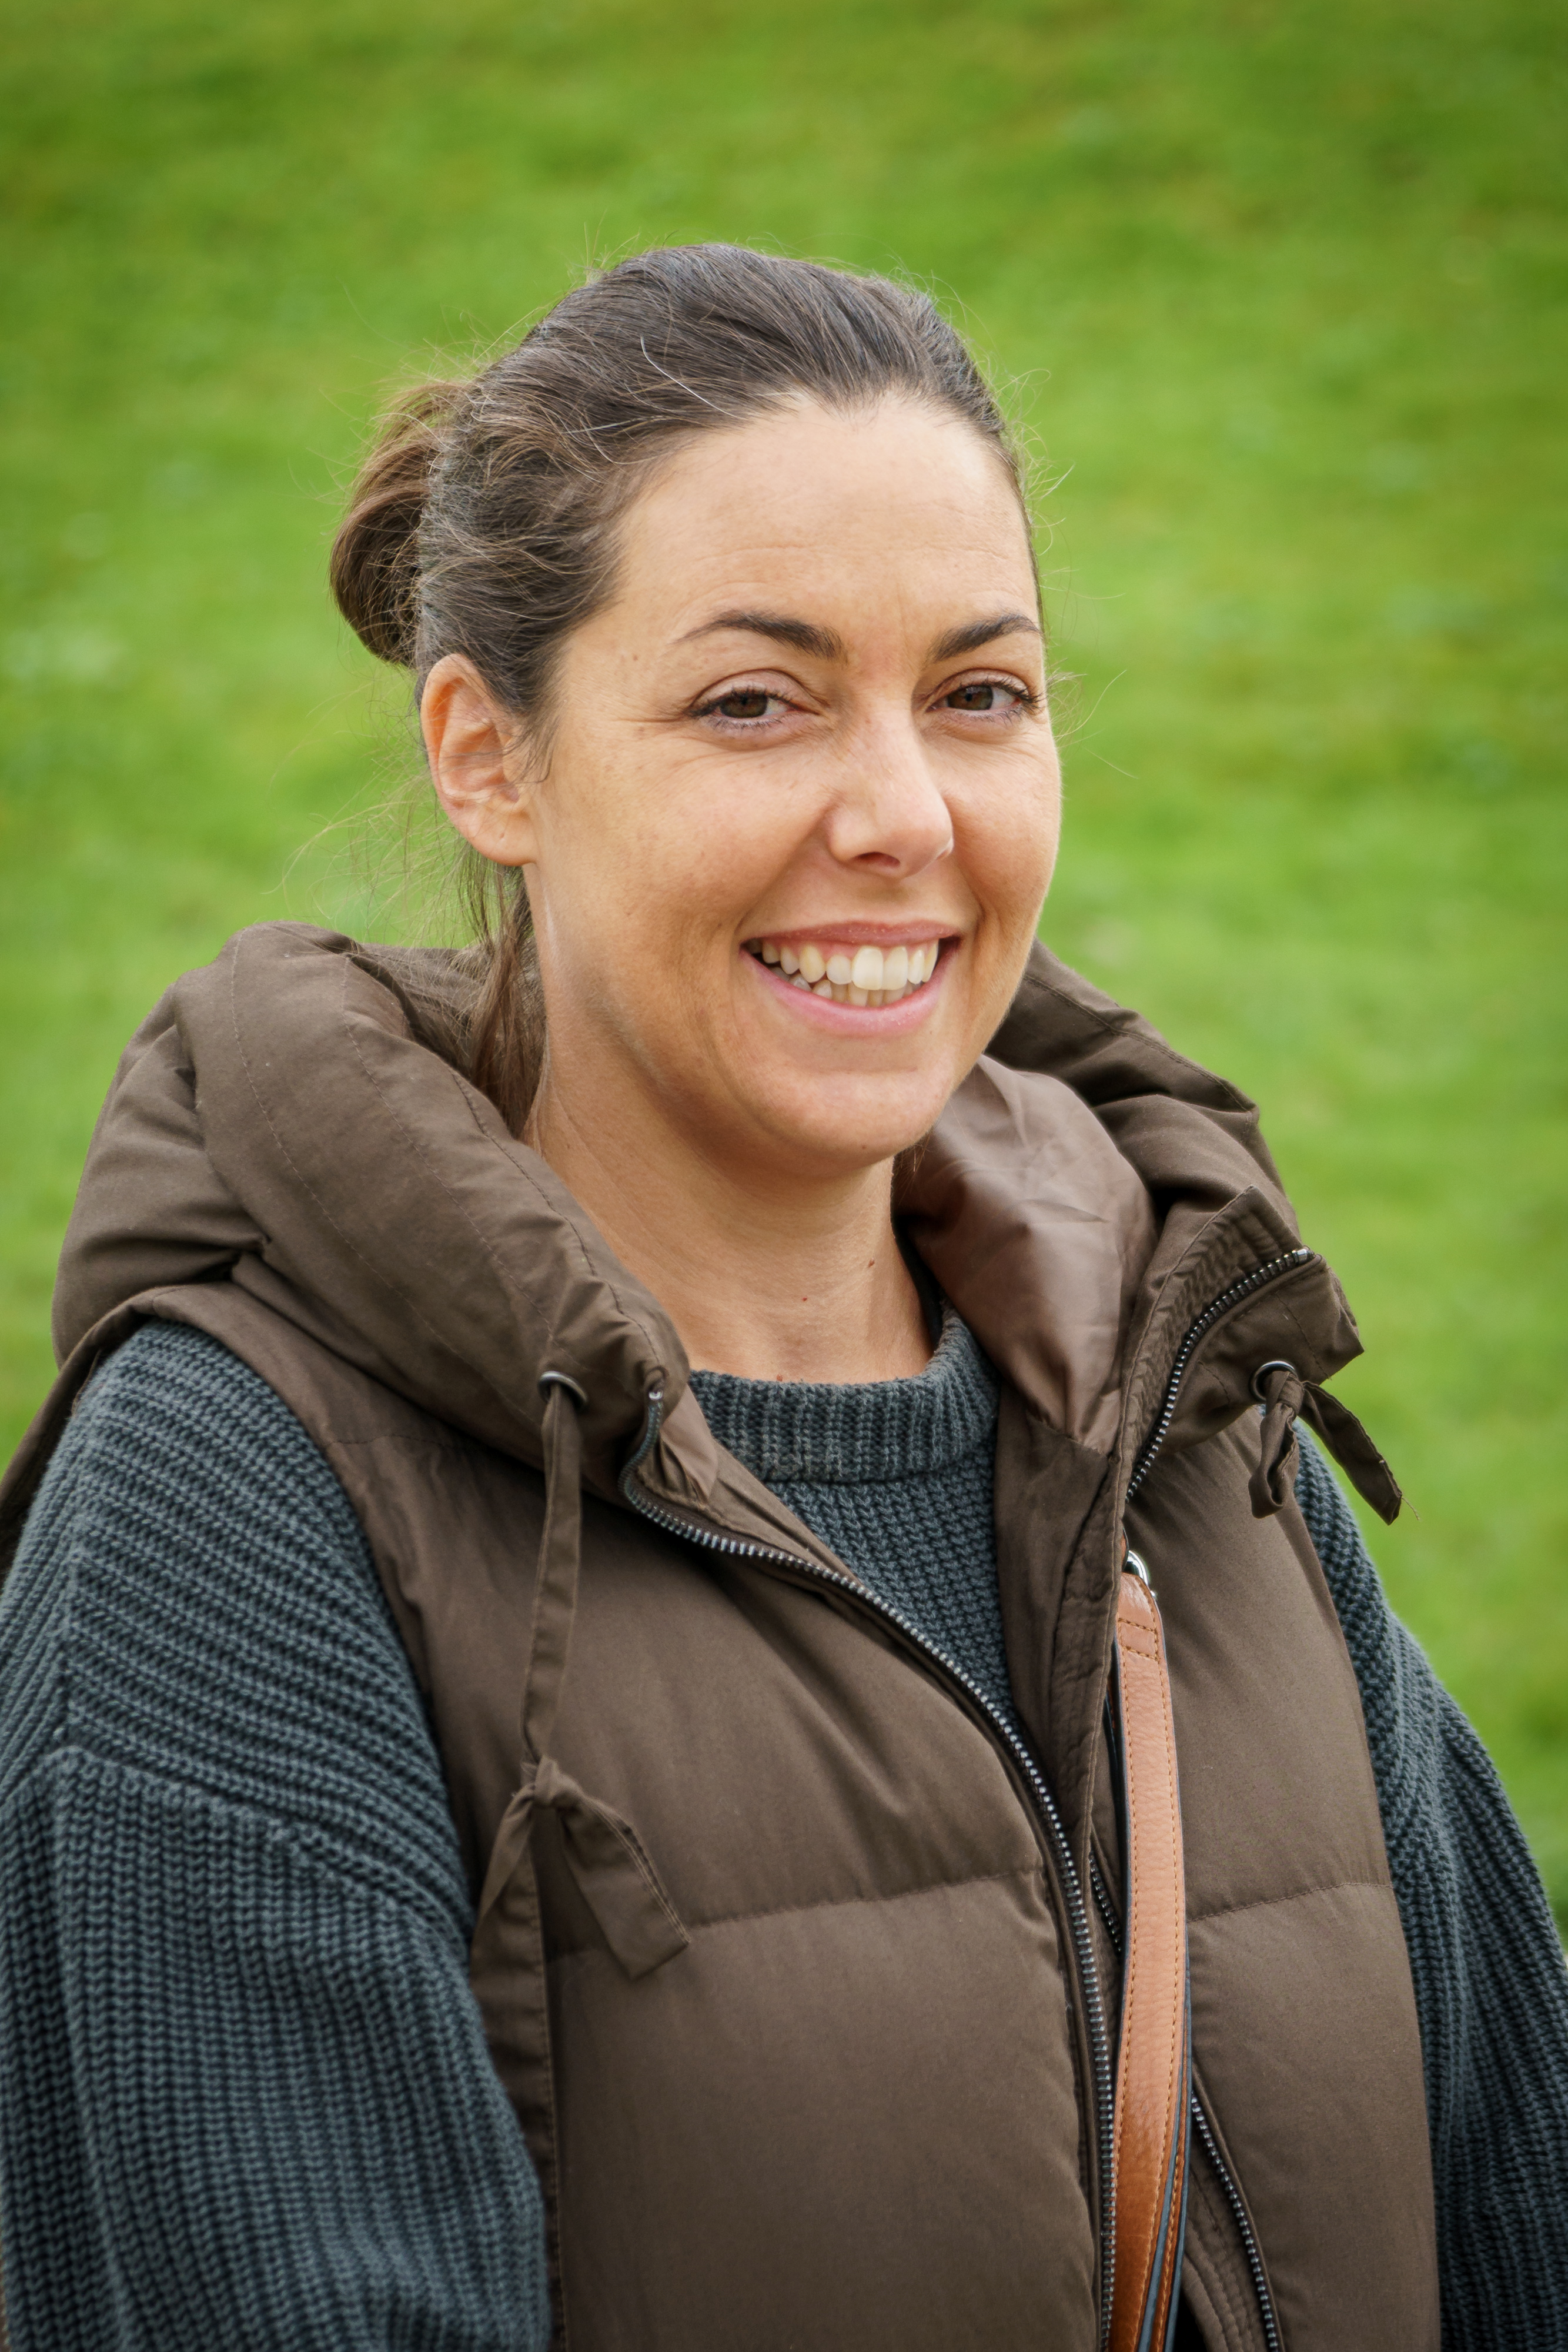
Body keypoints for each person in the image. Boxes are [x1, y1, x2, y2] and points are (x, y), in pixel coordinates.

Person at [0, 244, 1564, 2352]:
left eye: (979, 696)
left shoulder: (1190, 1416)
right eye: (755, 701)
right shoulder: (236, 1514)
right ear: (488, 756)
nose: (902, 815)